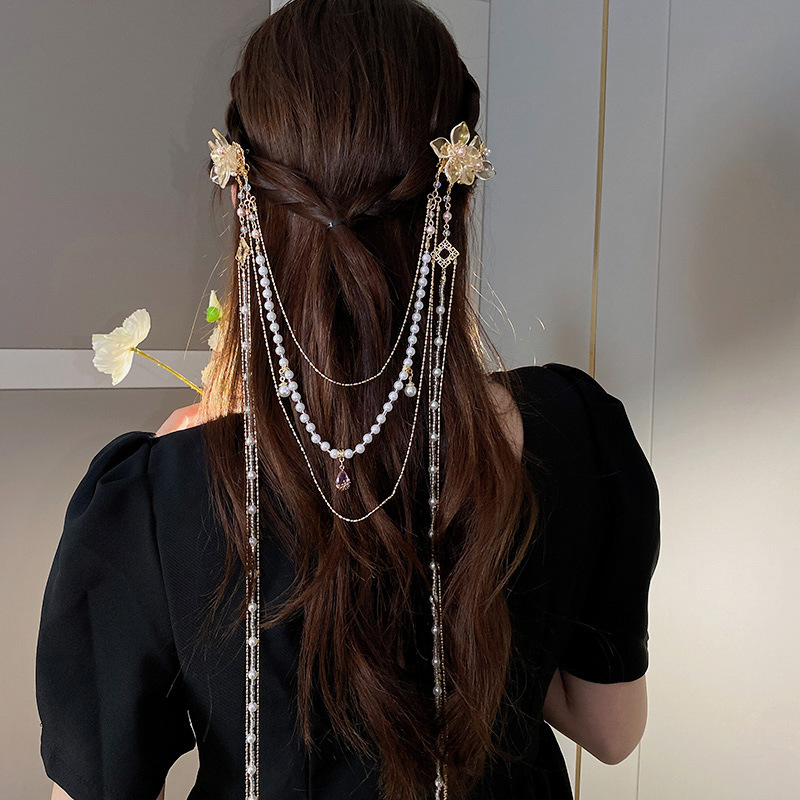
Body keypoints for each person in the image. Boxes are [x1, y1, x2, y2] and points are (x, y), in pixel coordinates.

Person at [35, 1, 660, 798]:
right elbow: (610, 731)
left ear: (245, 203)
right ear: (456, 197)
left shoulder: (159, 496)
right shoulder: (573, 432)